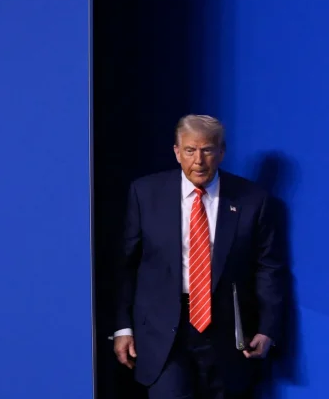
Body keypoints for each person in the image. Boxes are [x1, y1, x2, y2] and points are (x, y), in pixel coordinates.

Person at [112, 114, 287, 398]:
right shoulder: (145, 193)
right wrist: (122, 327)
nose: (199, 161)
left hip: (226, 337)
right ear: (177, 152)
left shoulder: (253, 200)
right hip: (162, 332)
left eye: (207, 150)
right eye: (190, 150)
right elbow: (126, 265)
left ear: (221, 152)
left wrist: (267, 329)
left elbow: (268, 269)